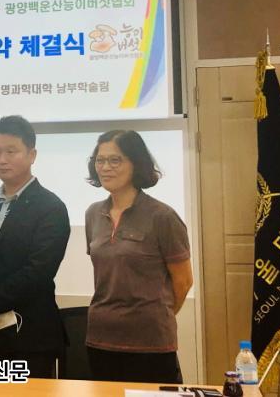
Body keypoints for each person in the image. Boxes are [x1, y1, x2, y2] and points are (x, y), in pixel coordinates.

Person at [0, 115, 70, 379]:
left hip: (30, 335)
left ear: (32, 155)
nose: (2, 159)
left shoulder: (51, 207)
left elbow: (39, 270)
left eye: (11, 151)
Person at [84, 130, 193, 383]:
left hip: (150, 342)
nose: (105, 167)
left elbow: (184, 282)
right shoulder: (93, 214)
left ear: (136, 163)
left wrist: (153, 316)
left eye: (115, 160)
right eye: (100, 160)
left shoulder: (162, 216)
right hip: (100, 338)